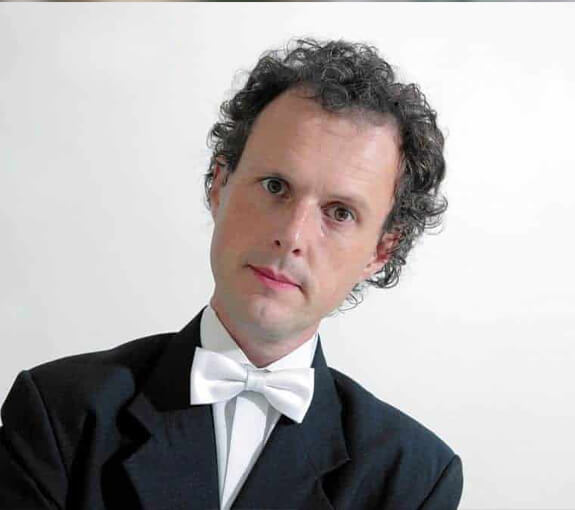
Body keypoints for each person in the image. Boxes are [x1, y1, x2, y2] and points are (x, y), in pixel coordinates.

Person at [0, 38, 463, 509]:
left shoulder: (414, 478)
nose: (292, 235)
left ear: (381, 250)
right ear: (220, 185)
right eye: (275, 186)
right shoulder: (58, 412)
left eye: (340, 212)